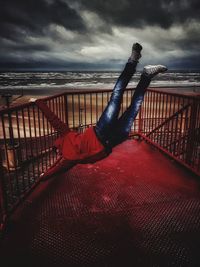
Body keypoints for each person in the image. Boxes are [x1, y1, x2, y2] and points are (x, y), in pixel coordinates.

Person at [35, 43, 167, 180]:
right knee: (126, 101)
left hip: (102, 132)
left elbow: (52, 119)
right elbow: (57, 169)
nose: (57, 153)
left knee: (121, 99)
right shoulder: (68, 157)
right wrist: (38, 103)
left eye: (56, 151)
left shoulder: (67, 148)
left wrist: (39, 103)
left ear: (58, 146)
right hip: (112, 140)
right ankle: (146, 75)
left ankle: (133, 61)